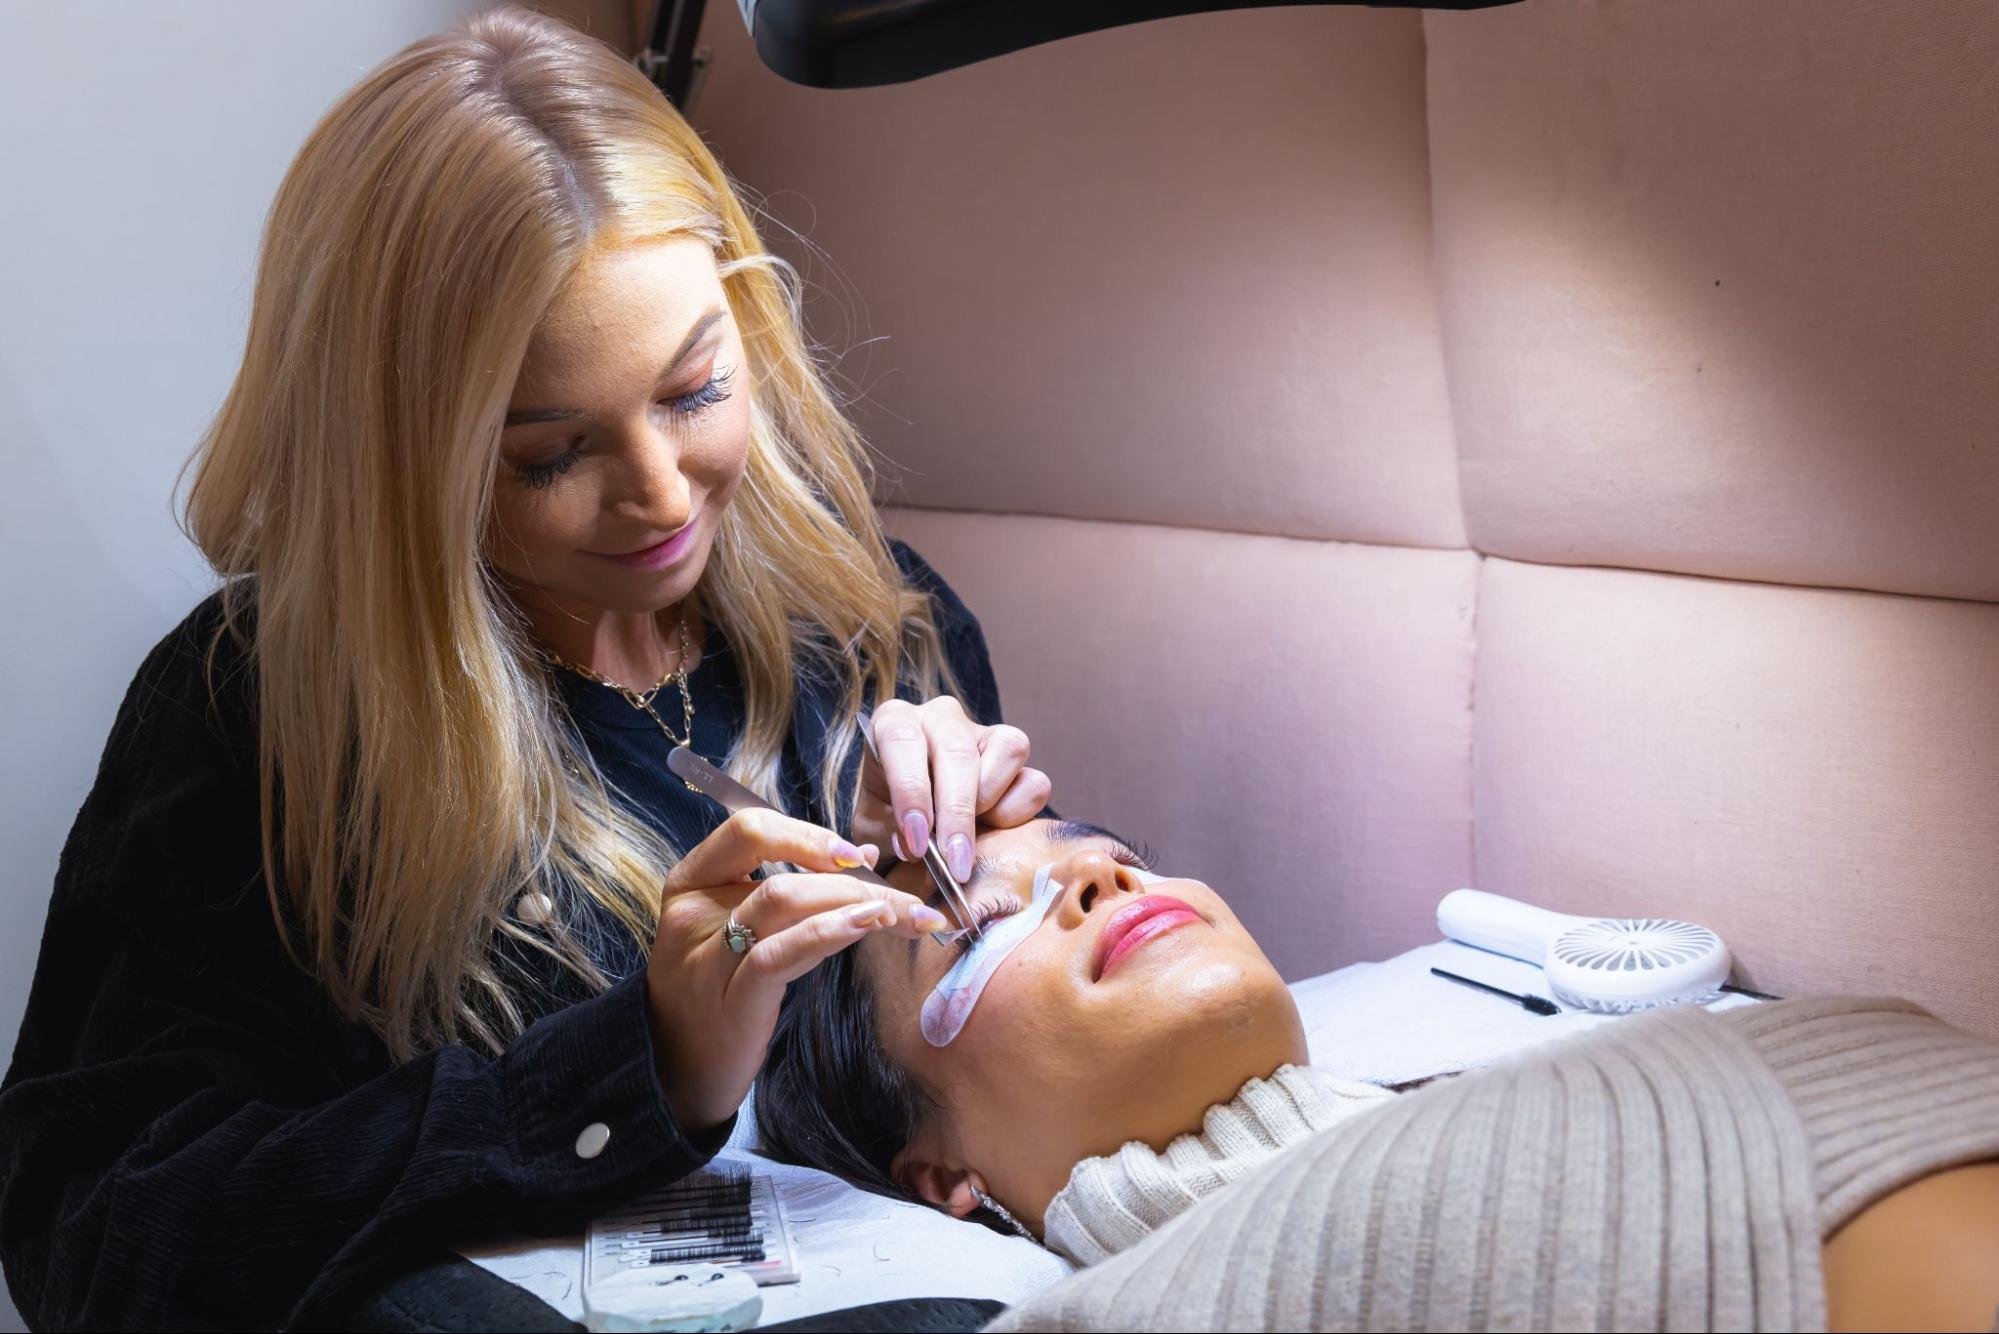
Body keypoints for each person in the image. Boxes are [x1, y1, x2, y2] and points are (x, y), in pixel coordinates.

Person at [0, 9, 1052, 1329]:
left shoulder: (877, 626)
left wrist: (989, 867)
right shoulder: (260, 716)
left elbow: (1021, 1087)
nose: (659, 494)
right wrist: (635, 1068)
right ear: (398, 455)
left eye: (692, 391)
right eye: (550, 455)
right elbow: (93, 1238)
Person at [757, 819, 1999, 1333]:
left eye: (1108, 848)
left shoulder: (1530, 1087)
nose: (1099, 875)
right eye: (977, 924)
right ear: (941, 1174)